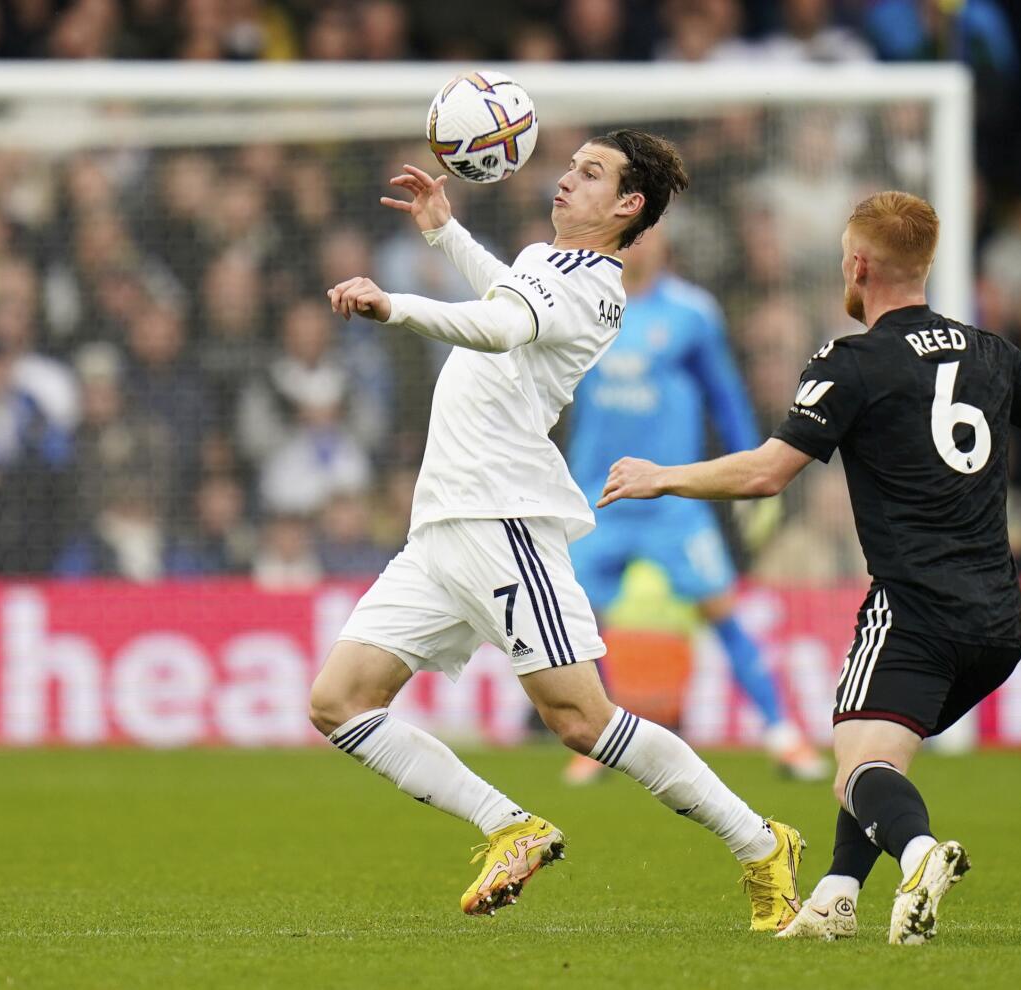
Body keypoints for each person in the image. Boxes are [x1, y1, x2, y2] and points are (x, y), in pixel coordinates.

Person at [598, 191, 1021, 944]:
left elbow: (768, 473)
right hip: (998, 622)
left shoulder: (851, 360)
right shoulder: (990, 352)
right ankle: (833, 898)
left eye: (842, 262)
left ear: (859, 265)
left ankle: (921, 856)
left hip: (913, 610)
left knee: (855, 769)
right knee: (877, 756)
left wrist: (663, 476)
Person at [310, 131, 806, 931]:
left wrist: (393, 305)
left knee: (581, 722)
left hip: (503, 520)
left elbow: (503, 327)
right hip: (443, 523)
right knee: (338, 703)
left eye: (590, 173)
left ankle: (760, 843)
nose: (565, 180)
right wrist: (444, 231)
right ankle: (511, 825)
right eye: (571, 166)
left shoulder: (594, 285)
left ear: (628, 205)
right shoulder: (551, 264)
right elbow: (509, 295)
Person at [566, 224, 826, 782]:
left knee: (723, 613)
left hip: (670, 498)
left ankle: (783, 735)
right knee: (579, 621)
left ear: (663, 243)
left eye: (648, 235)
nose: (638, 245)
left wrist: (750, 471)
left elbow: (726, 397)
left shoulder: (692, 314)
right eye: (628, 236)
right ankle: (598, 741)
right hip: (597, 497)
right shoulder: (580, 303)